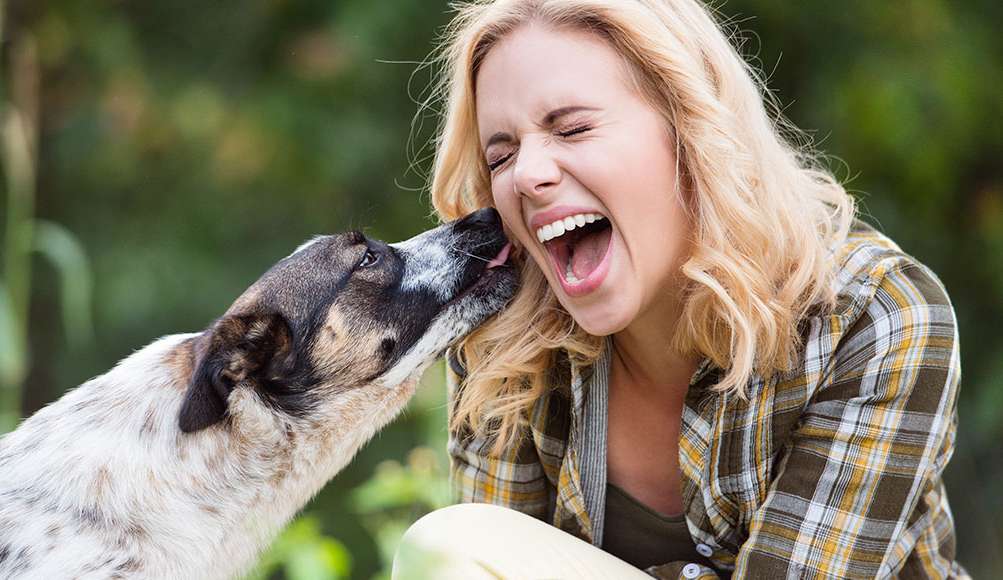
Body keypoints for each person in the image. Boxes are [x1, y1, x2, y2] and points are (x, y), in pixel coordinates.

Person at [392, 0, 969, 578]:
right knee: (452, 547)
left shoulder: (876, 314)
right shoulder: (505, 335)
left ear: (690, 127)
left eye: (572, 128)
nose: (526, 174)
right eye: (502, 155)